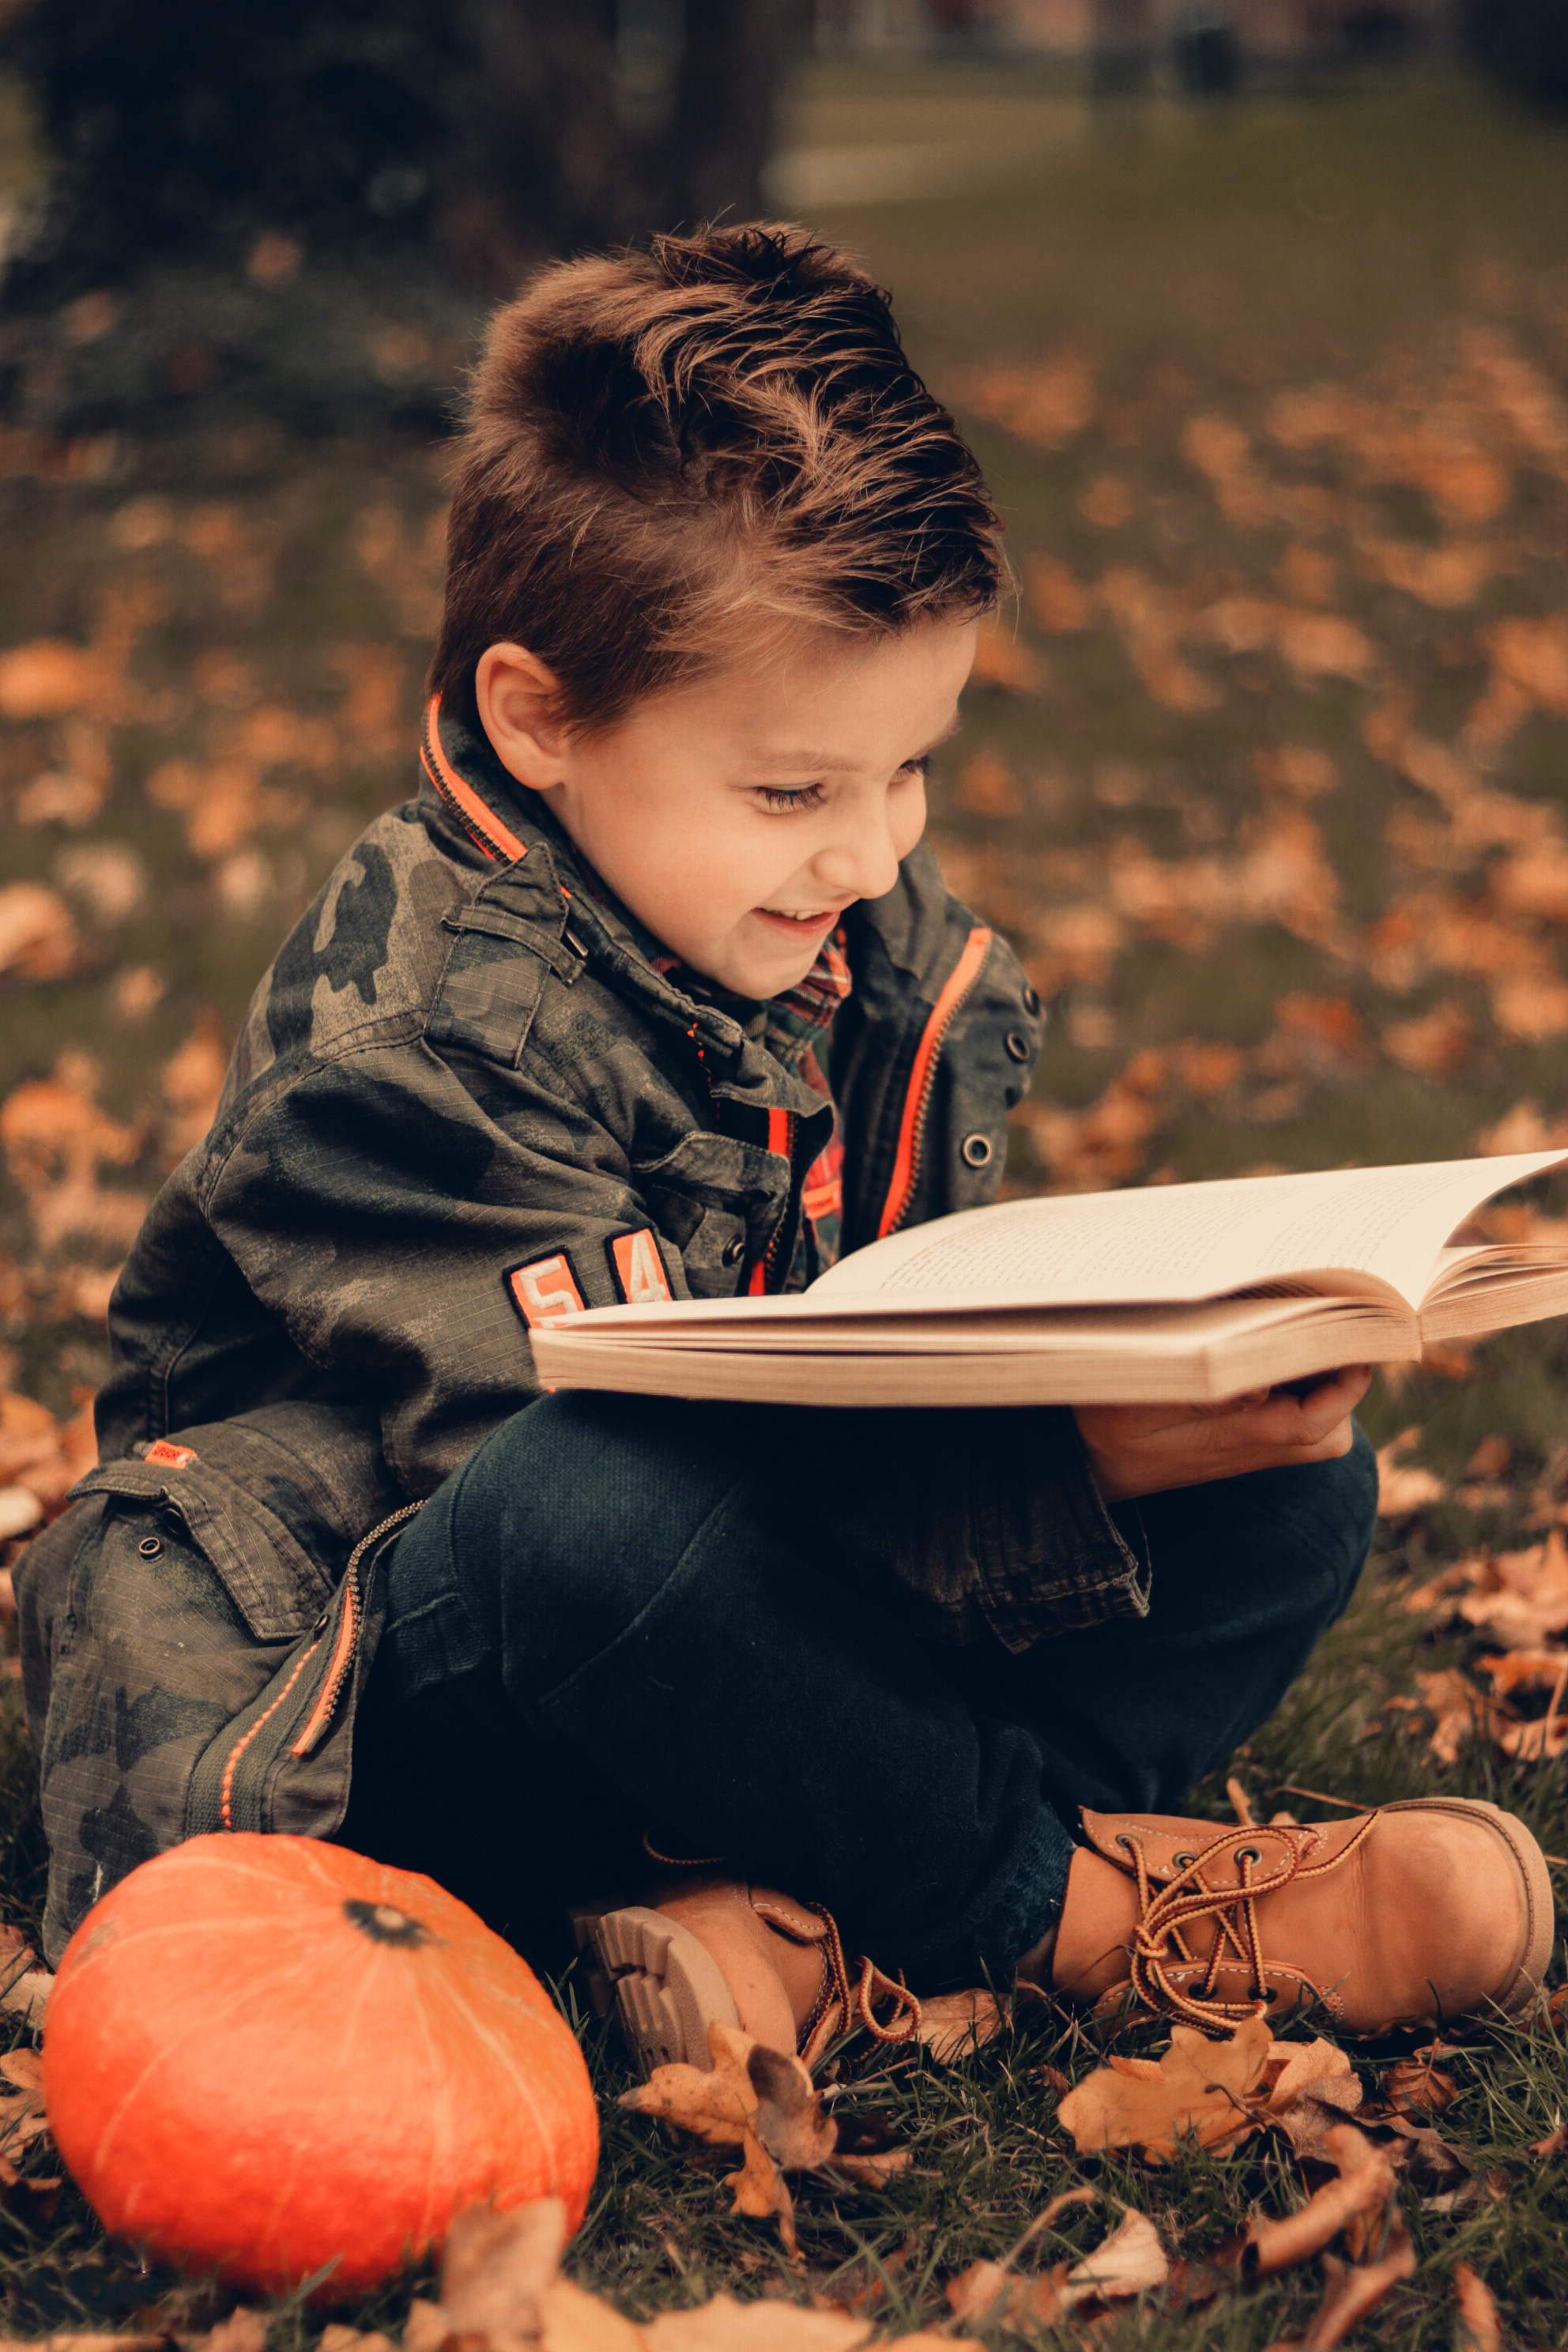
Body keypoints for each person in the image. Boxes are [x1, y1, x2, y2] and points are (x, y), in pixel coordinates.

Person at [16, 225, 1549, 2064]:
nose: (872, 851)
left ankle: (814, 1937)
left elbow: (843, 1371)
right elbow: (602, 1500)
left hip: (736, 1645)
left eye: (912, 765)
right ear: (540, 719)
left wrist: (1135, 1395)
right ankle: (1056, 1911)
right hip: (410, 1689)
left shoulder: (840, 936)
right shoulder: (417, 1038)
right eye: (791, 790)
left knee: (1291, 1487)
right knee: (593, 1516)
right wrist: (1061, 1469)